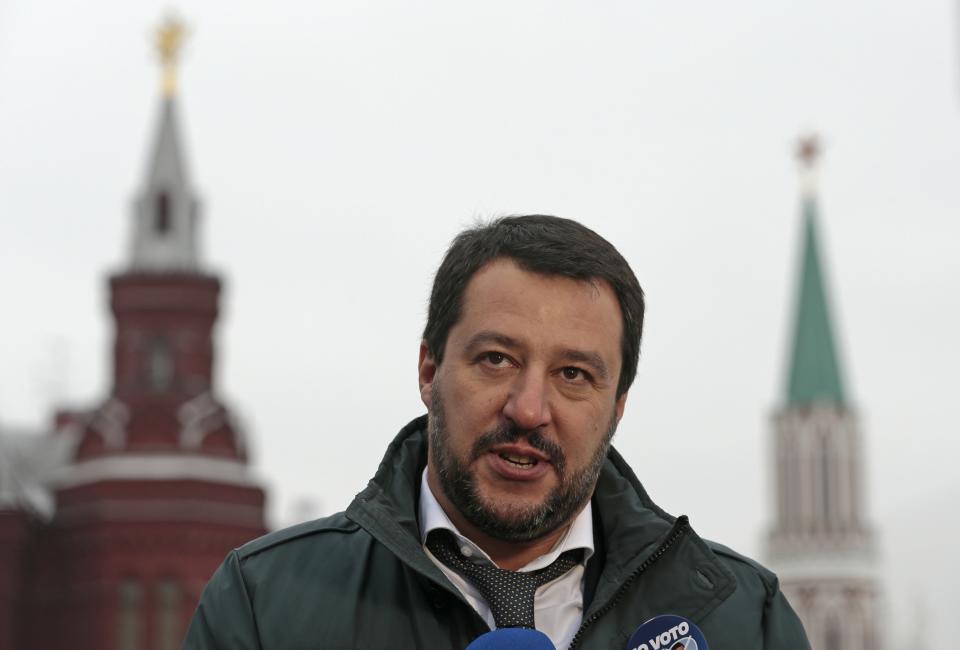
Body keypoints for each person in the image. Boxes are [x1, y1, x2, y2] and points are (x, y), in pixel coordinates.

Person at [184, 215, 810, 649]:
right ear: (430, 369)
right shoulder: (266, 602)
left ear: (617, 407)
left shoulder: (739, 618)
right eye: (497, 360)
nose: (529, 409)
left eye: (572, 374)